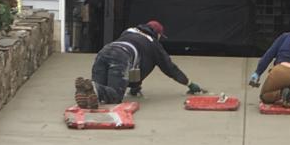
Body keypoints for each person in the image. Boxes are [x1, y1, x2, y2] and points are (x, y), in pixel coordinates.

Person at [74, 21, 204, 109]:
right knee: (115, 96)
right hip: (121, 56)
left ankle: (89, 88)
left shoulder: (129, 31)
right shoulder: (154, 44)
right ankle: (95, 90)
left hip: (104, 52)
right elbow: (169, 68)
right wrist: (189, 83)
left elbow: (137, 67)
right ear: (157, 34)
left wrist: (135, 86)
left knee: (99, 89)